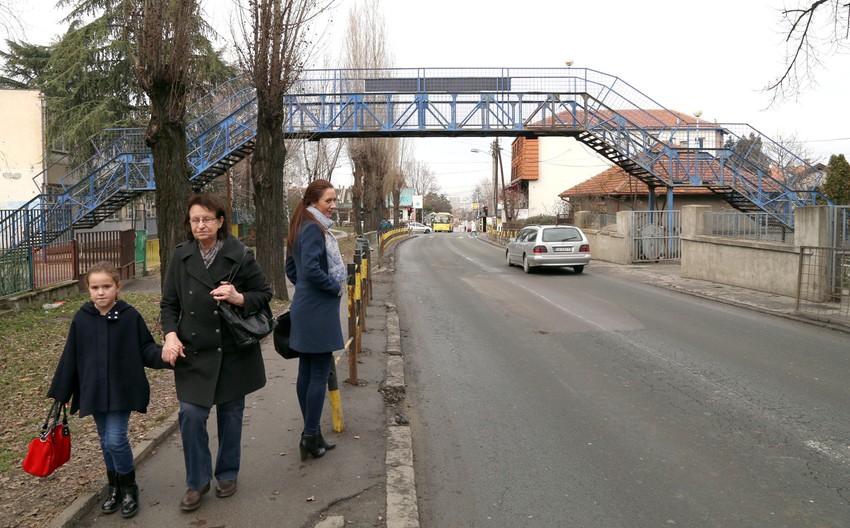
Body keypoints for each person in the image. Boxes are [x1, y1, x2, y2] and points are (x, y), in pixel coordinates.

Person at [160, 193, 272, 512]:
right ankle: (197, 482)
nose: (200, 225)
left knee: (231, 415)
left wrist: (238, 297)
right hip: (194, 352)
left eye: (207, 219)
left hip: (233, 351)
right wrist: (170, 335)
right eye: (195, 219)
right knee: (191, 416)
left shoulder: (239, 255)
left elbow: (264, 294)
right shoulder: (180, 256)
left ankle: (227, 473)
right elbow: (169, 304)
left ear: (220, 222)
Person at [47, 261, 171, 519]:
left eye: (106, 286)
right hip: (93, 390)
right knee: (105, 442)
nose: (100, 292)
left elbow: (146, 349)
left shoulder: (129, 316)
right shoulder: (82, 318)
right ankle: (113, 487)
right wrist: (61, 392)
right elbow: (70, 356)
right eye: (95, 287)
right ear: (88, 289)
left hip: (121, 390)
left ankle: (129, 489)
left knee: (115, 439)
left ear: (118, 287)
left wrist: (167, 355)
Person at [285, 179, 346, 461]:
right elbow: (308, 270)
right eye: (328, 201)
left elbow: (292, 269)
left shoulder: (301, 225)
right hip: (317, 311)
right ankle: (310, 436)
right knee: (318, 374)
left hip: (306, 307)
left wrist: (306, 291)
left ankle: (312, 433)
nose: (333, 205)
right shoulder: (313, 228)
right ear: (313, 203)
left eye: (334, 200)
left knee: (307, 372)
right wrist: (332, 287)